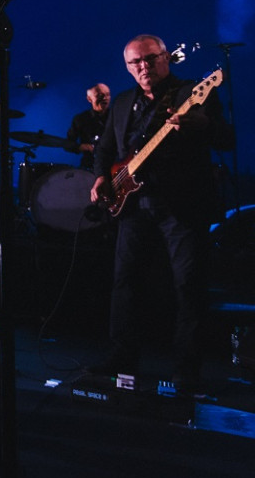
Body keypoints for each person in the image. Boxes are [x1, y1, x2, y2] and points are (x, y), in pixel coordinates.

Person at [90, 35, 233, 393]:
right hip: (135, 205)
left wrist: (203, 127)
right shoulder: (122, 102)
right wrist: (99, 178)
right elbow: (105, 148)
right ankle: (122, 355)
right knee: (125, 282)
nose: (142, 68)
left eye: (149, 59)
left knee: (188, 285)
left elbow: (227, 139)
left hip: (181, 205)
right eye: (134, 63)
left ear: (165, 57)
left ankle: (186, 369)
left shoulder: (191, 93)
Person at [66, 83, 110, 169]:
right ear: (89, 99)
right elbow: (67, 144)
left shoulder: (117, 115)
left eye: (107, 95)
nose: (104, 98)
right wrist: (82, 147)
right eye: (99, 96)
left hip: (116, 164)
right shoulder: (80, 119)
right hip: (91, 166)